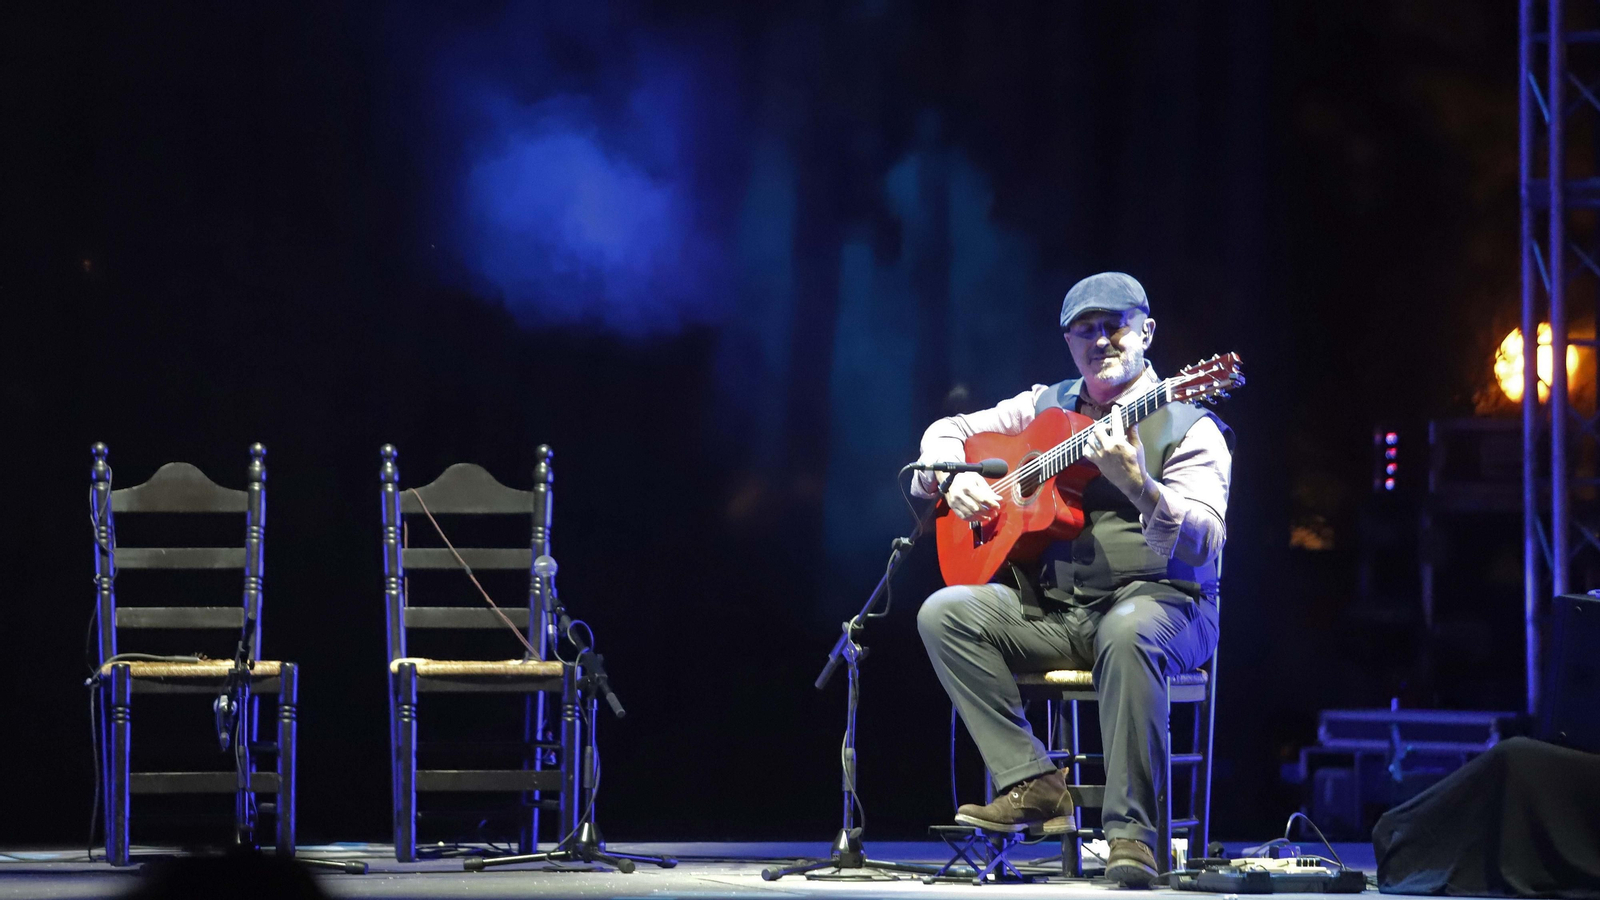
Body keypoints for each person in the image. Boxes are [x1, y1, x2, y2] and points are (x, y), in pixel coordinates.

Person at [912, 271, 1232, 887]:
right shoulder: (1043, 403)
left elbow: (1206, 538)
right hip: (1060, 611)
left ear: (1147, 333)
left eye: (1114, 326)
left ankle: (1132, 838)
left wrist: (1139, 485)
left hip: (1167, 607)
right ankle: (1032, 782)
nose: (1101, 341)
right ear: (1068, 342)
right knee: (943, 613)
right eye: (1085, 330)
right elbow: (943, 434)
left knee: (1129, 632)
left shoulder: (1190, 424)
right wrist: (955, 478)